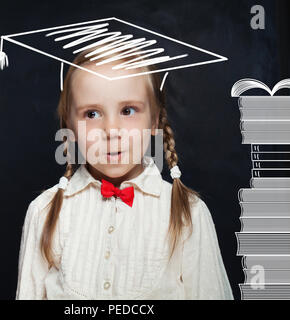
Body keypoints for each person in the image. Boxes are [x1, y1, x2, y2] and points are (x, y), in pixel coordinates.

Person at [15, 46, 234, 300]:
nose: (111, 130)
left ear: (154, 122)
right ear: (69, 125)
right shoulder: (44, 213)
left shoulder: (188, 213)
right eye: (92, 114)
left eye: (128, 110)